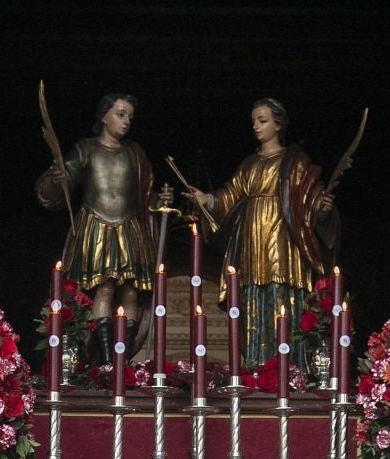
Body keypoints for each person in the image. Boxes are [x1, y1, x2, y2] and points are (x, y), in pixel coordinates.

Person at [182, 98, 337, 367]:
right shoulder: (250, 164)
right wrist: (207, 199)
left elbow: (310, 200)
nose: (255, 126)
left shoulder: (294, 161)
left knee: (283, 294)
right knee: (252, 295)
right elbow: (230, 195)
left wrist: (321, 209)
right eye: (253, 121)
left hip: (285, 236)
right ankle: (257, 364)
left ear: (278, 124)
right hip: (253, 239)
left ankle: (290, 367)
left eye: (262, 120)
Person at [34, 92, 171, 360]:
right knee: (105, 288)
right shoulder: (87, 148)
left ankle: (124, 356)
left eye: (130, 116)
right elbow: (64, 180)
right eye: (120, 114)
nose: (126, 121)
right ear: (103, 117)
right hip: (97, 226)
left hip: (130, 228)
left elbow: (143, 195)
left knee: (131, 293)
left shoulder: (134, 152)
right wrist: (57, 177)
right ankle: (107, 359)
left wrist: (159, 202)